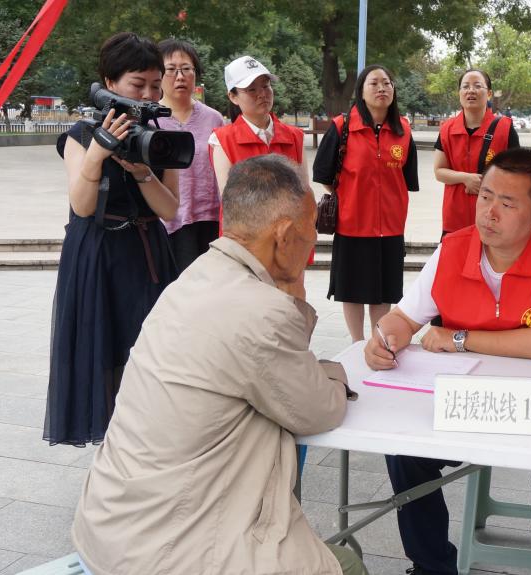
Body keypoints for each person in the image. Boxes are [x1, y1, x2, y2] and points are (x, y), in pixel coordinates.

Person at [71, 154, 366, 575]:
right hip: (168, 554)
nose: (313, 245)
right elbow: (319, 409)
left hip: (109, 527)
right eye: (310, 232)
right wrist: (332, 370)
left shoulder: (193, 277)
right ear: (284, 236)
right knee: (347, 564)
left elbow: (270, 372)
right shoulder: (262, 310)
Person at [365, 148, 531, 575]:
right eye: (485, 196)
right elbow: (404, 318)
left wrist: (458, 339)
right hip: (466, 394)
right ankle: (432, 564)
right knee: (404, 451)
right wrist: (383, 338)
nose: (489, 212)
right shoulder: (453, 247)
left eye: (507, 203)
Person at [44, 32, 180, 447]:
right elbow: (83, 206)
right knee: (102, 349)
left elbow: (169, 209)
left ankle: (150, 438)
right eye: (138, 84)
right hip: (98, 254)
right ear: (109, 82)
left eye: (155, 85)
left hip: (148, 253)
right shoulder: (80, 135)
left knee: (152, 350)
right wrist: (98, 153)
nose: (149, 94)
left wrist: (143, 172)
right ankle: (113, 444)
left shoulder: (161, 135)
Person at [313, 64, 419, 342]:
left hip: (391, 225)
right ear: (361, 91)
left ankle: (377, 341)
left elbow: (407, 178)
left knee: (383, 290)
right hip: (352, 224)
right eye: (374, 83)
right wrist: (349, 196)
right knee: (352, 289)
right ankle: (356, 342)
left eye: (387, 83)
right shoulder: (342, 127)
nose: (382, 88)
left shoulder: (403, 130)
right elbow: (323, 174)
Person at [210, 55, 308, 229]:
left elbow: (304, 192)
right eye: (251, 89)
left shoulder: (295, 136)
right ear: (233, 97)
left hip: (289, 235)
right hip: (245, 236)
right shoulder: (222, 140)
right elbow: (230, 201)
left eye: (266, 85)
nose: (262, 94)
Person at [157, 38, 226, 271]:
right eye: (171, 70)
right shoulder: (152, 120)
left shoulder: (213, 119)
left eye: (187, 69)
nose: (180, 77)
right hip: (167, 222)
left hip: (209, 219)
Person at [434, 68, 519, 236]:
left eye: (477, 86)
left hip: (493, 219)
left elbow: (517, 174)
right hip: (454, 218)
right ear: (459, 93)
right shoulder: (447, 129)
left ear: (489, 94)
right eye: (465, 86)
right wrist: (465, 178)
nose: (471, 90)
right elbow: (439, 171)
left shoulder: (505, 128)